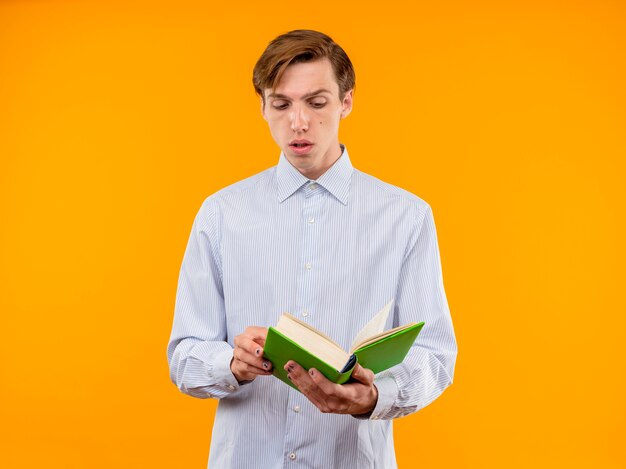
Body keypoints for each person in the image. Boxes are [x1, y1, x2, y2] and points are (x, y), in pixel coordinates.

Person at [167, 29, 457, 468]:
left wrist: (375, 395)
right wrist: (231, 362)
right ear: (262, 106)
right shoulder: (221, 213)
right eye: (281, 104)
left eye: (316, 103)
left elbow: (435, 356)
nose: (298, 122)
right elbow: (184, 354)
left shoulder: (407, 217)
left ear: (346, 102)